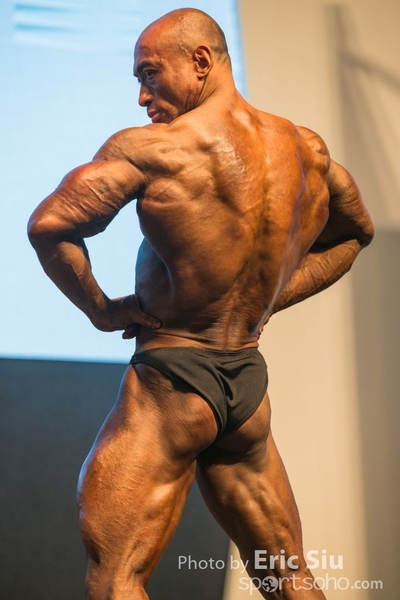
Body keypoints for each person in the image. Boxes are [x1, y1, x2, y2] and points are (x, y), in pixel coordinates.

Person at [27, 8, 374, 600]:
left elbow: (49, 226)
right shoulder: (307, 151)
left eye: (150, 74)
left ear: (201, 62)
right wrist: (266, 302)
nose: (142, 96)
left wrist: (103, 311)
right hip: (246, 389)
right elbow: (354, 234)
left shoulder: (154, 150)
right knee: (290, 578)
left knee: (115, 579)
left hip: (171, 385)